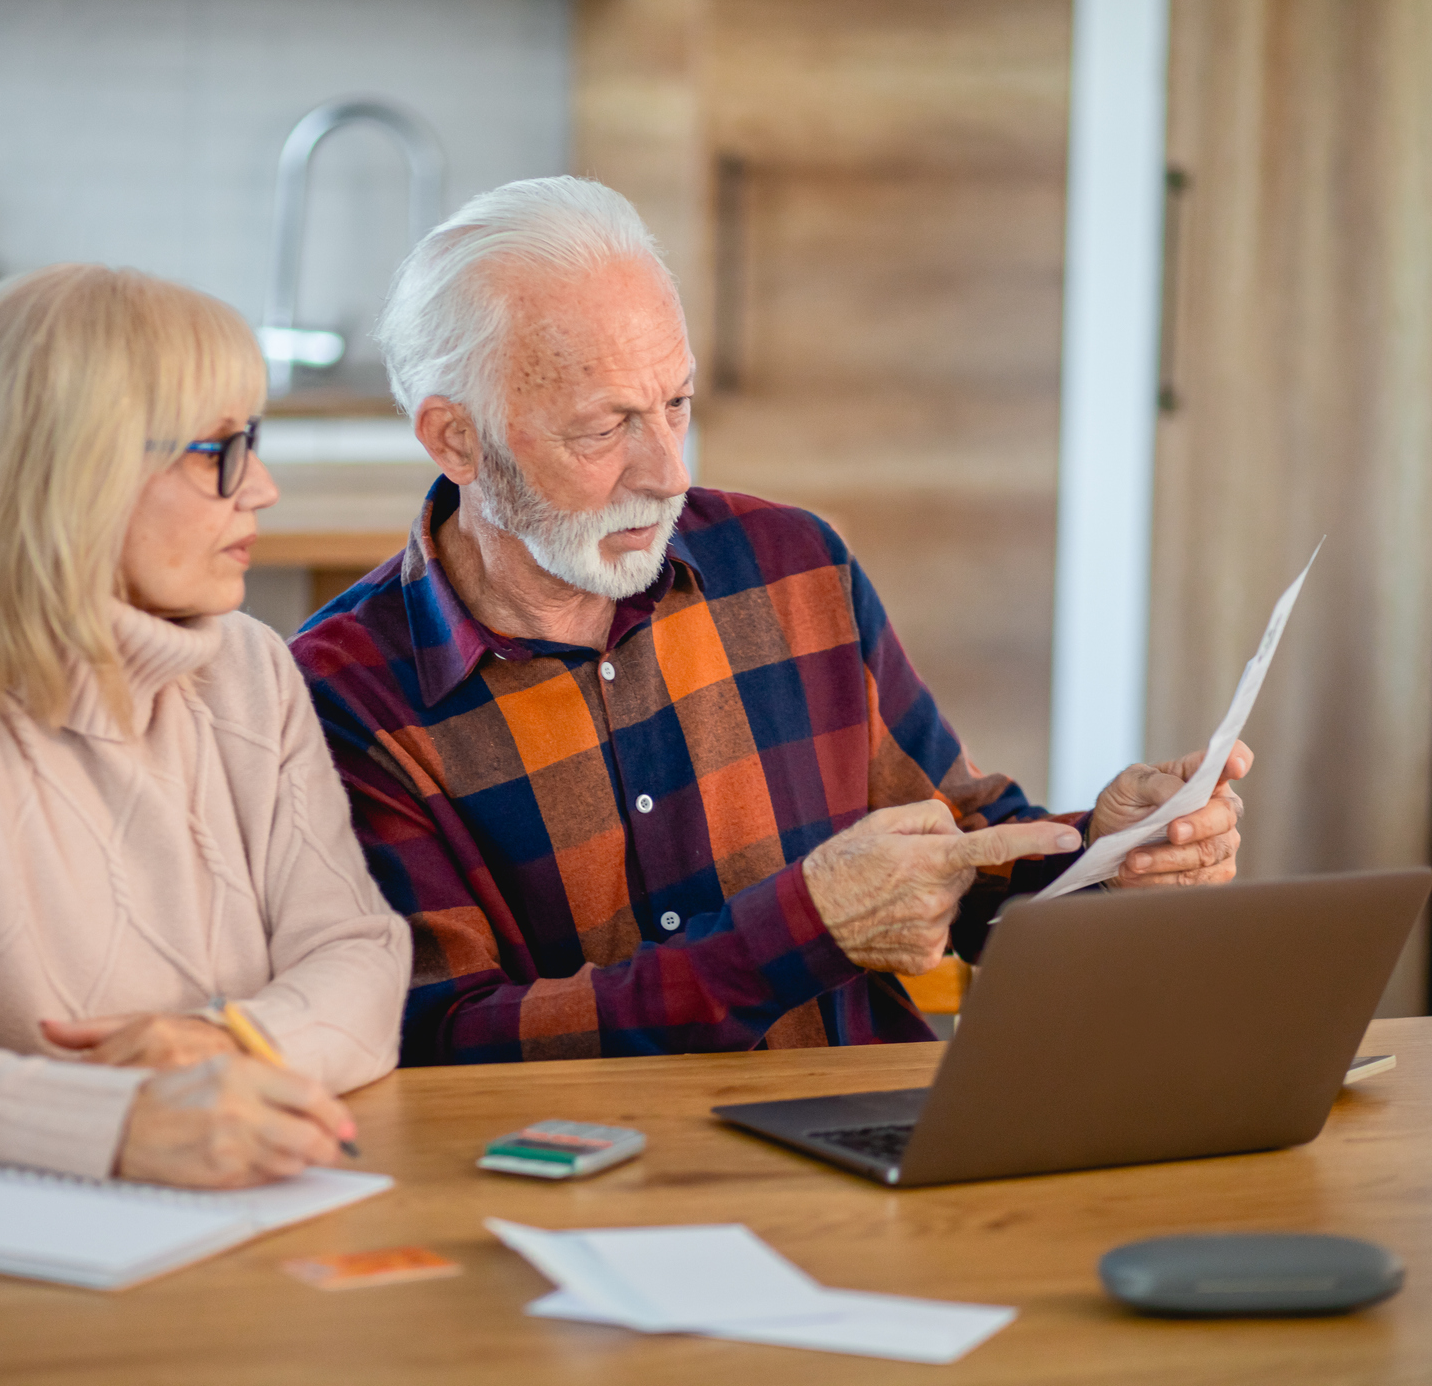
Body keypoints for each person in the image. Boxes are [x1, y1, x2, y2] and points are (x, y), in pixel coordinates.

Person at [290, 178, 1251, 1065]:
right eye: (602, 428)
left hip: (858, 1152)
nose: (664, 470)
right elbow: (442, 1042)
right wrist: (805, 926)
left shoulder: (790, 564)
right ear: (455, 437)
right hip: (584, 1197)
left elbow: (961, 851)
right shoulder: (340, 697)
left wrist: (1109, 855)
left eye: (676, 404)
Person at [0, 265, 410, 1186]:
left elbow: (362, 955)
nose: (259, 487)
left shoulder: (252, 670)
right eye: (217, 448)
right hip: (5, 1256)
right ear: (79, 474)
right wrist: (124, 1121)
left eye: (250, 442)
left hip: (234, 1206)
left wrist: (220, 1045)